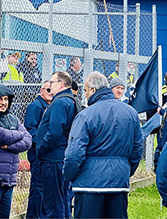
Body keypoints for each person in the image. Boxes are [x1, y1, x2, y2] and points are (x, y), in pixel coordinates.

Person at [64, 72, 143, 219]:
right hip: (119, 181)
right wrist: (124, 169)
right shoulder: (131, 113)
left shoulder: (85, 115)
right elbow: (137, 148)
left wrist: (69, 176)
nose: (85, 95)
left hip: (89, 184)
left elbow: (74, 153)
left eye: (86, 90)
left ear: (93, 90)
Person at [0, 83, 32, 219]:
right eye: (0, 99)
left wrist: (8, 146)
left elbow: (28, 140)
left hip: (9, 181)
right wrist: (17, 134)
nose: (3, 103)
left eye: (6, 99)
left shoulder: (12, 118)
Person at [36, 71, 78, 219]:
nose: (49, 86)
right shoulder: (71, 100)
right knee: (62, 201)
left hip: (53, 159)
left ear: (61, 84)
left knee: (53, 204)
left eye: (52, 83)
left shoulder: (60, 102)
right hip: (61, 157)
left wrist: (40, 149)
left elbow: (54, 132)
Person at [24, 81, 53, 219]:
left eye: (52, 89)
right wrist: (43, 145)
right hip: (38, 153)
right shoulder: (35, 107)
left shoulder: (49, 106)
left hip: (44, 153)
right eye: (48, 89)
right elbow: (30, 130)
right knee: (38, 188)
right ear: (41, 91)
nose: (50, 92)